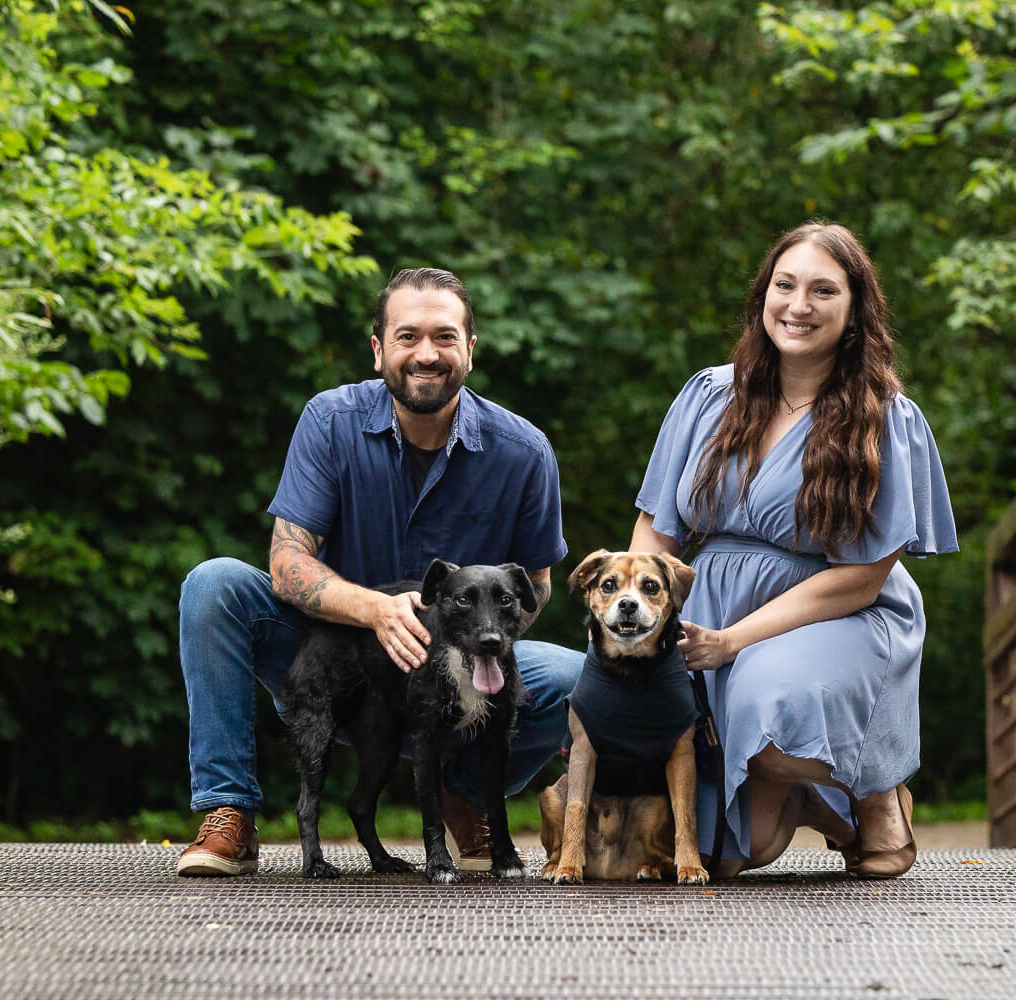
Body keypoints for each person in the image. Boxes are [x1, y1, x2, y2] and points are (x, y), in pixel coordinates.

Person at [175, 266, 582, 876]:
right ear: (378, 351)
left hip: (462, 660)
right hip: (334, 654)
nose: (426, 353)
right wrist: (376, 610)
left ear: (471, 350)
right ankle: (228, 812)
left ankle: (464, 793)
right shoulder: (329, 421)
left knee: (577, 677)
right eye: (407, 336)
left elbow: (539, 586)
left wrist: (467, 651)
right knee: (213, 585)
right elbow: (286, 564)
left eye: (445, 337)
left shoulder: (524, 452)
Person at [630, 222, 958, 879]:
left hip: (839, 614)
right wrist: (644, 629)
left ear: (856, 310)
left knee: (766, 713)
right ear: (763, 296)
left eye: (822, 290)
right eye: (785, 285)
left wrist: (734, 641)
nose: (798, 305)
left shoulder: (885, 417)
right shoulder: (707, 395)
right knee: (717, 855)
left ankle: (872, 792)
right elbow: (654, 537)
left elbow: (860, 579)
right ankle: (820, 804)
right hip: (710, 613)